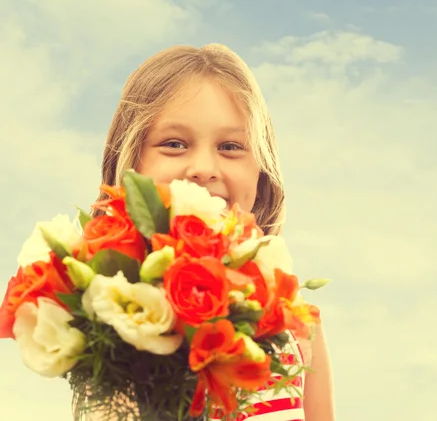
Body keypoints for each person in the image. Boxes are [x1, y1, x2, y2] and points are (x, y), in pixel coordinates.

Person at [87, 44, 335, 420]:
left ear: (261, 171)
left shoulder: (298, 323)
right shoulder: (115, 314)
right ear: (129, 163)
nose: (203, 168)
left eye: (231, 146)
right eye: (174, 144)